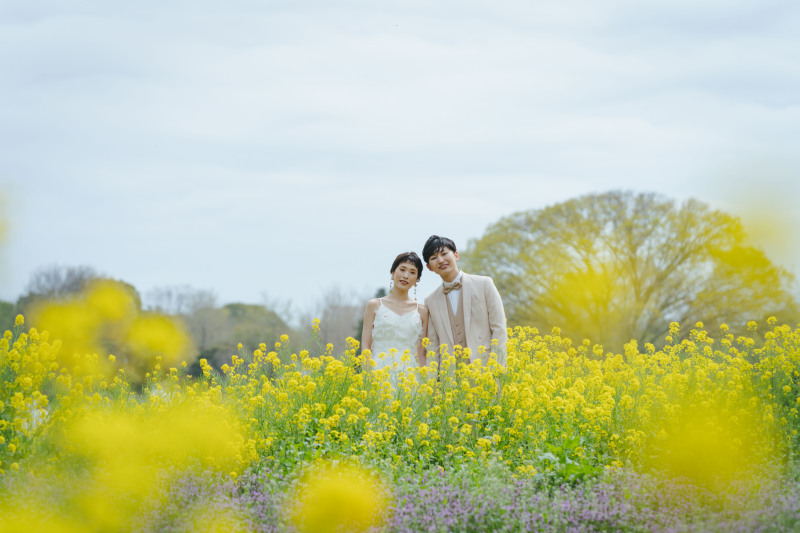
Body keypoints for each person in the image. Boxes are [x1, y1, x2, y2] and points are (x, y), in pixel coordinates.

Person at [422, 235, 507, 367]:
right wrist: (432, 383)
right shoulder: (430, 300)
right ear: (429, 267)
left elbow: (499, 328)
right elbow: (433, 346)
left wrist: (496, 368)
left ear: (456, 255)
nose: (440, 260)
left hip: (485, 368)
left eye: (444, 254)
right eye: (434, 258)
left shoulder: (484, 284)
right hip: (451, 377)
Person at [360, 252, 429, 386]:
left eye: (412, 272)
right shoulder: (374, 305)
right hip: (378, 374)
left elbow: (421, 353)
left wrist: (425, 385)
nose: (405, 276)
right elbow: (366, 347)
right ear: (392, 273)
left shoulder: (422, 311)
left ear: (416, 280)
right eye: (402, 270)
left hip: (410, 377)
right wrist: (367, 381)